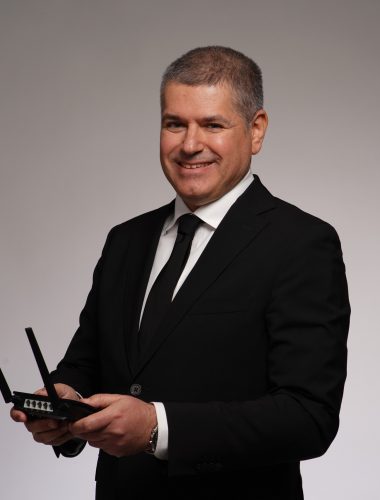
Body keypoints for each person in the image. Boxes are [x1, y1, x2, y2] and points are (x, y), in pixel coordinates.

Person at [10, 46, 350, 499]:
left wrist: (158, 427)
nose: (190, 145)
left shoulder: (301, 244)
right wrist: (63, 402)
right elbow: (88, 362)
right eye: (175, 124)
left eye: (213, 125)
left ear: (256, 130)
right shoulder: (125, 240)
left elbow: (308, 417)